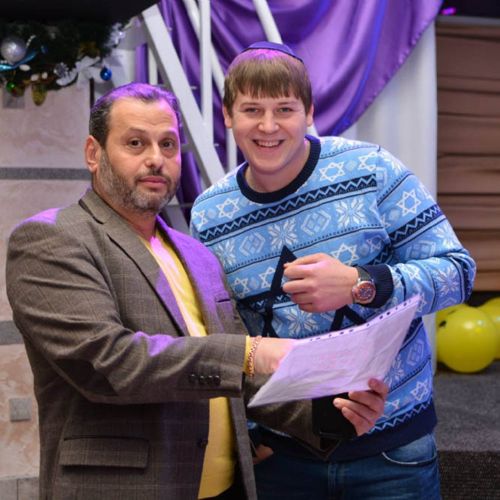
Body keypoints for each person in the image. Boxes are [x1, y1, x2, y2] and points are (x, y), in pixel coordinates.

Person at [190, 42, 477, 499]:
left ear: (309, 113)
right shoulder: (208, 215)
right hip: (280, 458)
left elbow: (458, 273)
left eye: (285, 109)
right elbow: (224, 332)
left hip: (392, 448)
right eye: (252, 110)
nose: (268, 126)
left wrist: (361, 283)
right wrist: (251, 433)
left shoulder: (372, 169)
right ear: (227, 115)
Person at [6, 82, 301, 500]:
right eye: (135, 143)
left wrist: (332, 409)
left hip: (227, 488)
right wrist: (248, 352)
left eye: (168, 144)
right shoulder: (51, 239)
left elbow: (241, 377)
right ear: (93, 153)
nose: (155, 159)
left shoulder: (197, 254)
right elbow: (108, 363)